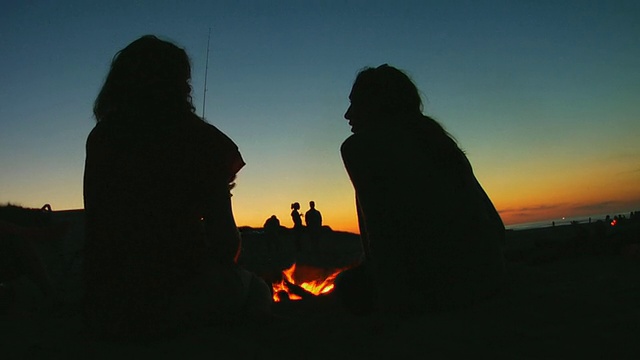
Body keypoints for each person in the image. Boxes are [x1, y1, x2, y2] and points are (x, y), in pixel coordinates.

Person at [83, 35, 271, 340]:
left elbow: (101, 224)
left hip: (106, 301)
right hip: (175, 298)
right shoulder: (204, 141)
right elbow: (225, 243)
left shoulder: (102, 137)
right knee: (256, 286)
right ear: (181, 85)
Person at [337, 64, 506, 317]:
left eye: (355, 104)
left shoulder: (360, 147)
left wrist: (392, 304)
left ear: (377, 105)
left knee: (346, 285)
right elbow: (492, 221)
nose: (347, 115)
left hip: (442, 287)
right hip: (490, 272)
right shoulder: (437, 139)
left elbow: (380, 231)